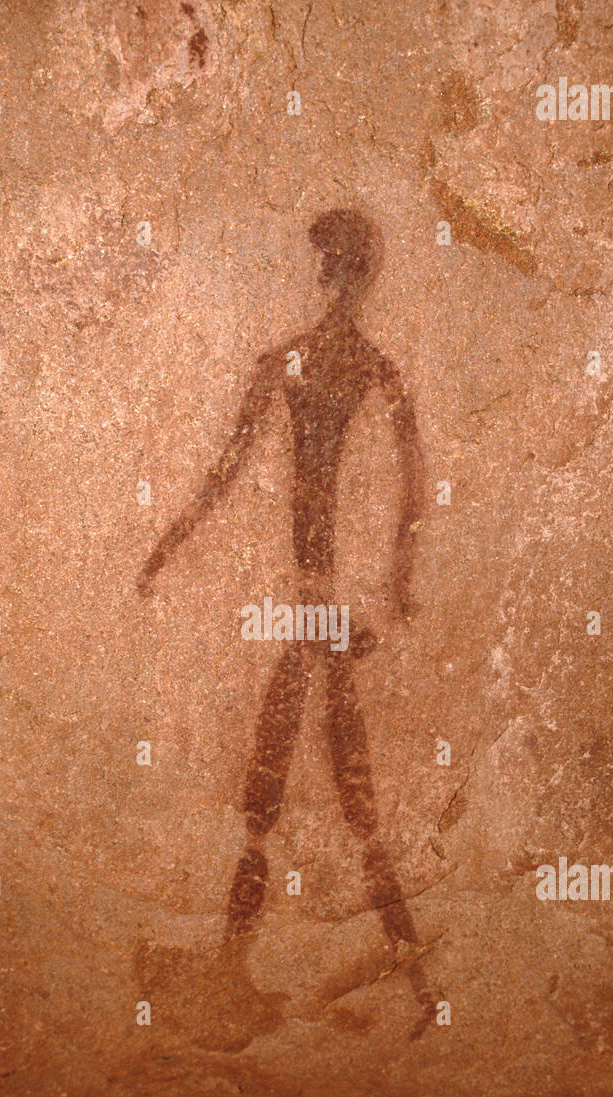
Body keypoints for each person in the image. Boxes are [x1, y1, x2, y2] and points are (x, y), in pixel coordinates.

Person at [138, 209, 434, 1040]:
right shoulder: (375, 368)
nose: (323, 274)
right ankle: (398, 973)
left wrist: (169, 545)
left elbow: (226, 471)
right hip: (325, 610)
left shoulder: (295, 362)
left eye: (322, 261)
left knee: (298, 796)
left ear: (326, 269)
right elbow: (409, 493)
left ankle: (254, 962)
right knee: (340, 792)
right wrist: (396, 586)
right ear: (365, 274)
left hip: (317, 609)